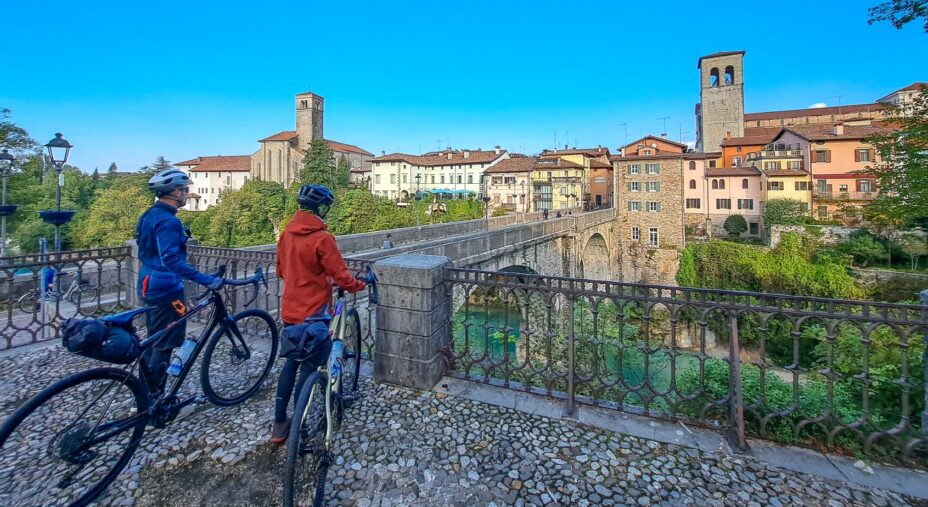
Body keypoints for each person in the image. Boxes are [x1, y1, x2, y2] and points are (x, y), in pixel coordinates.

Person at [271, 184, 366, 444]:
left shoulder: (286, 235)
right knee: (310, 364)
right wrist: (358, 285)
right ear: (322, 209)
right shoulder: (322, 238)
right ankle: (301, 422)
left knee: (291, 362)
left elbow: (280, 271)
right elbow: (340, 275)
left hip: (290, 309)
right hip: (315, 310)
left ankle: (279, 422)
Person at [135, 169, 224, 395]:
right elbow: (171, 260)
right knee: (164, 343)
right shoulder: (169, 221)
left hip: (149, 283)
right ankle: (153, 401)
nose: (187, 193)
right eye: (185, 190)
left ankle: (144, 391)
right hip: (165, 288)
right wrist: (206, 280)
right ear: (175, 192)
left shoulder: (148, 215)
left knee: (157, 337)